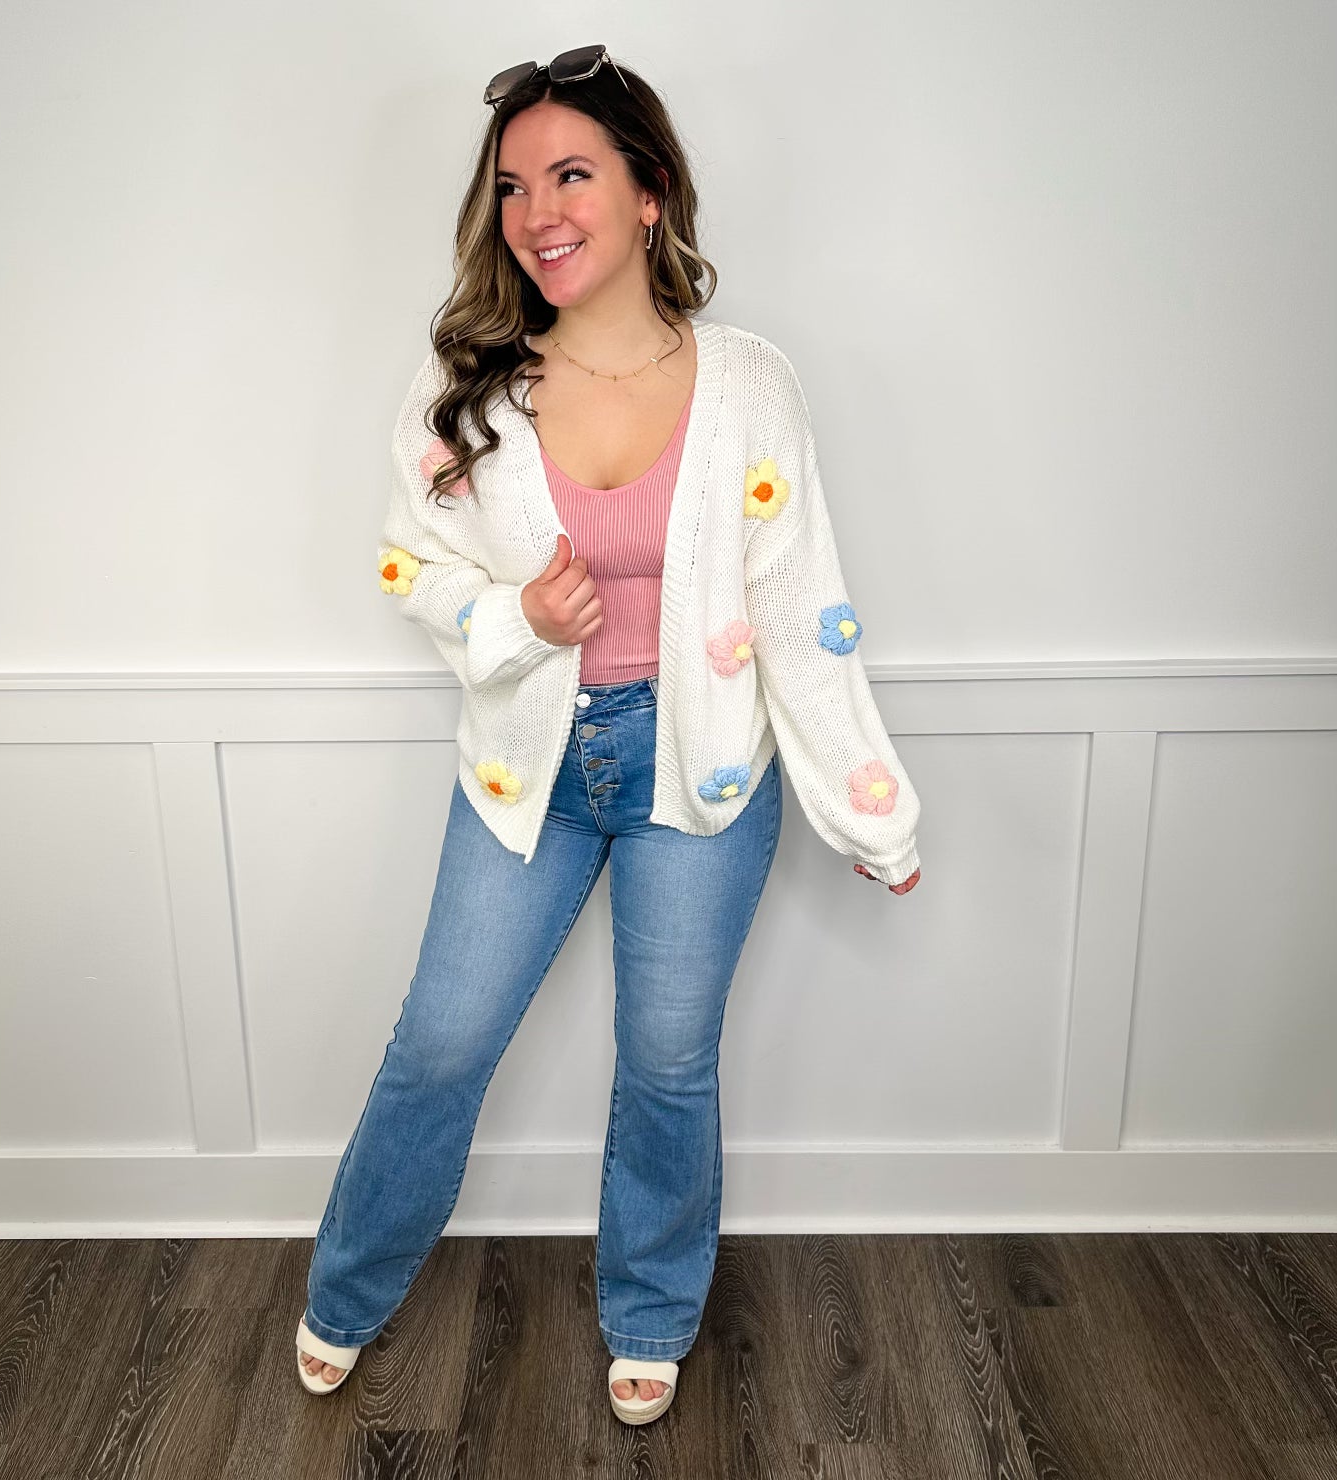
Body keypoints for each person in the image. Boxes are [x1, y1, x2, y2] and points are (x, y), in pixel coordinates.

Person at [295, 45, 922, 1426]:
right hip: (531, 770)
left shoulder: (749, 383)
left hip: (704, 769)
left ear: (650, 192)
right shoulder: (471, 382)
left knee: (669, 1061)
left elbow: (799, 602)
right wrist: (516, 617)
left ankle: (649, 1308)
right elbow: (410, 565)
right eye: (514, 187)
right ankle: (346, 1287)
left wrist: (868, 805)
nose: (538, 213)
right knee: (442, 1042)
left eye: (570, 174)